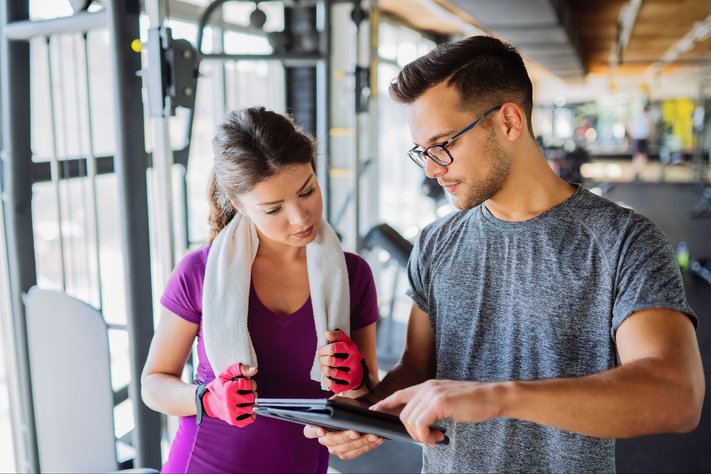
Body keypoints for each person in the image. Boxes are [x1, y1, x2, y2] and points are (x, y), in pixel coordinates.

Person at [305, 36, 704, 472]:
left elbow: (676, 395)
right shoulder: (436, 243)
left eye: (443, 144)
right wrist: (365, 412)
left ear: (509, 121)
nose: (433, 169)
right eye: (423, 152)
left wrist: (497, 397)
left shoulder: (624, 241)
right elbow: (418, 368)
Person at [141, 107, 380, 473]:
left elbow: (368, 396)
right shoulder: (199, 272)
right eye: (273, 209)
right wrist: (207, 399)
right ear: (239, 205)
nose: (300, 217)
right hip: (205, 462)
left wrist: (358, 379)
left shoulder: (353, 275)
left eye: (307, 191)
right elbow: (153, 384)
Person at [629, 103, 655, 182]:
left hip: (635, 137)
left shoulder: (637, 117)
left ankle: (636, 172)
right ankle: (639, 173)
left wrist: (631, 134)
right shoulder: (648, 117)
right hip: (643, 138)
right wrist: (651, 138)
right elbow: (651, 128)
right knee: (643, 156)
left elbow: (629, 125)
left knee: (637, 156)